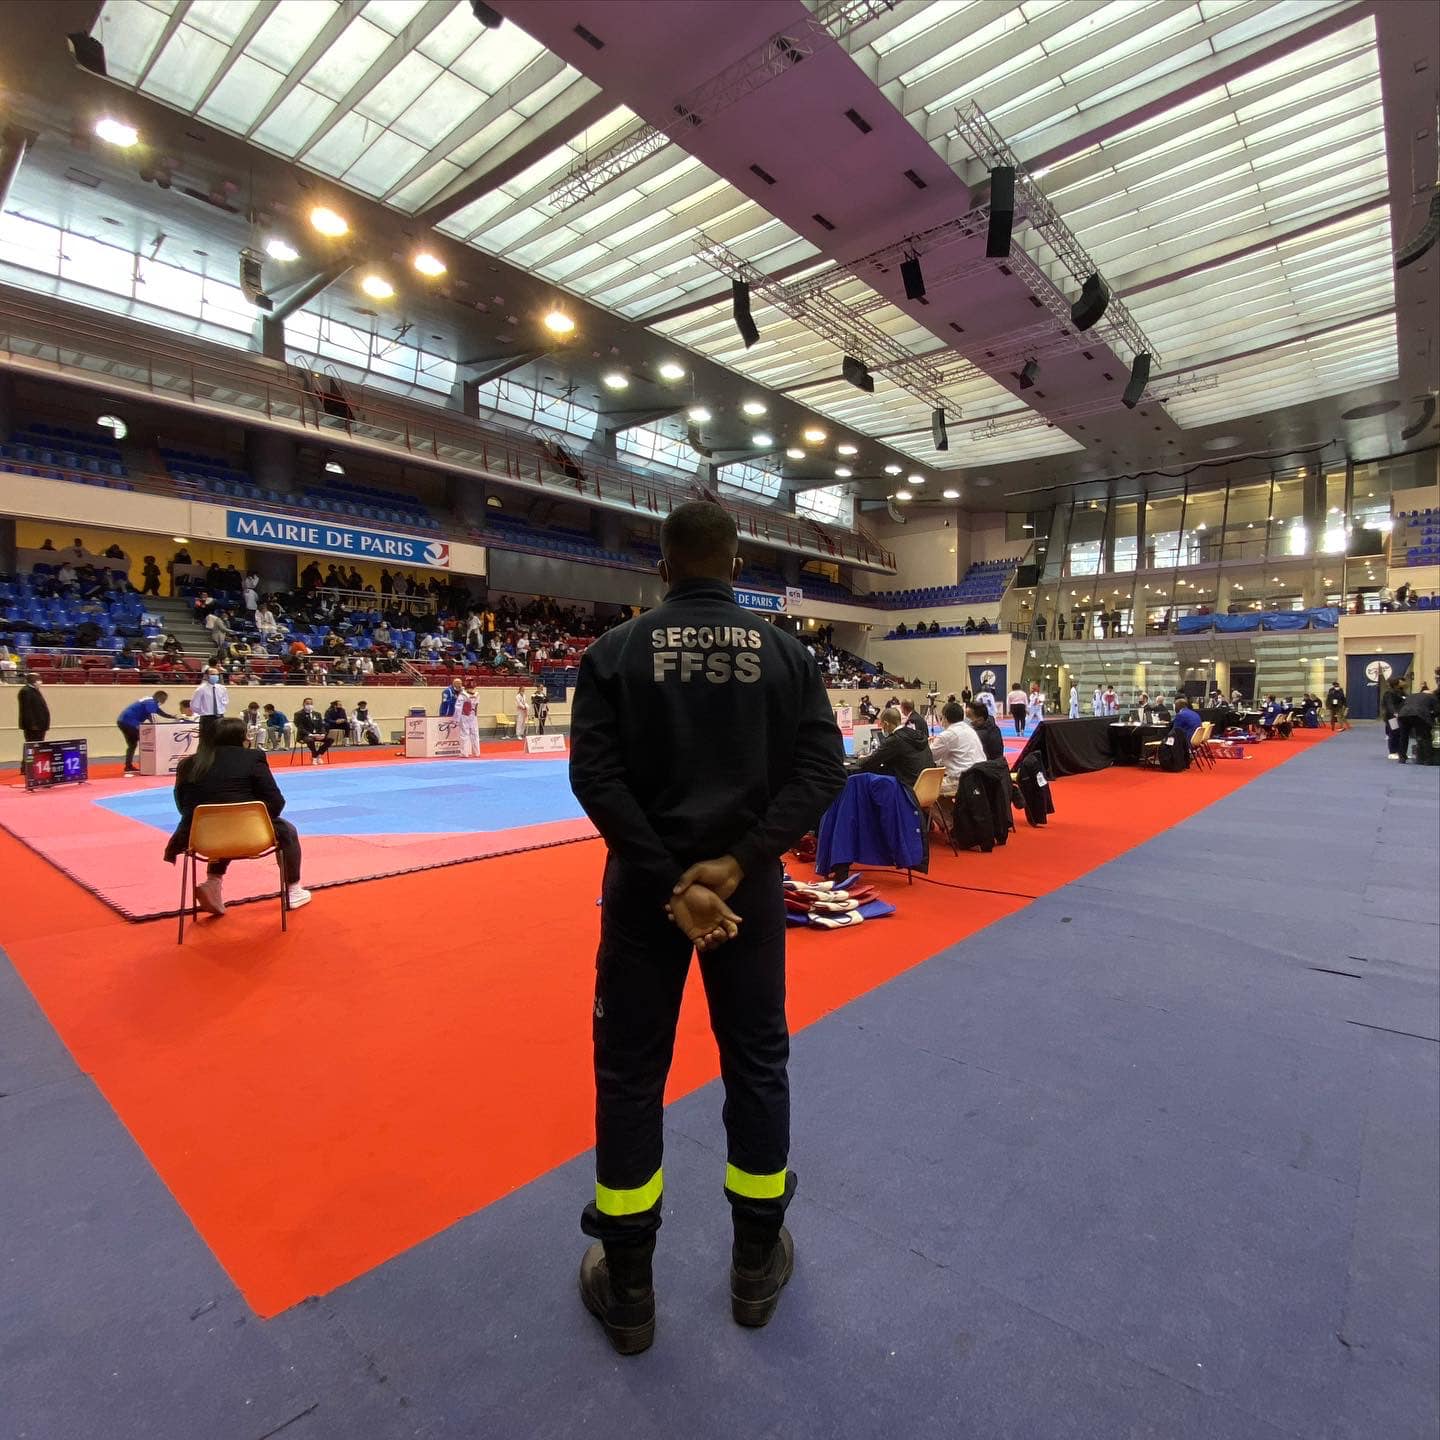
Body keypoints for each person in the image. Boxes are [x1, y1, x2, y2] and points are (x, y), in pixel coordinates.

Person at [567, 501, 846, 1355]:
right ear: (736, 566)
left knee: (630, 1076)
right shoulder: (788, 654)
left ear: (662, 567)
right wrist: (738, 863)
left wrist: (671, 881)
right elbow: (821, 771)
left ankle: (630, 1291)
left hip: (644, 897)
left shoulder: (615, 652)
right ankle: (755, 1268)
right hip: (746, 897)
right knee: (756, 1064)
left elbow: (596, 780)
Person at [162, 717, 310, 916]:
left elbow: (182, 807)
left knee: (222, 826)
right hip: (252, 836)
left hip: (201, 838)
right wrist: (258, 818)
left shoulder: (187, 764)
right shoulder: (253, 758)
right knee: (287, 830)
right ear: (241, 737)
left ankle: (213, 882)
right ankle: (293, 890)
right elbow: (276, 802)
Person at [852, 705, 935, 789]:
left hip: (907, 788)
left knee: (865, 776)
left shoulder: (894, 740)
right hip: (928, 786)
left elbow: (870, 762)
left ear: (886, 724)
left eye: (882, 724)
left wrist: (860, 759)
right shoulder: (917, 735)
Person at [929, 700, 985, 794]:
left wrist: (930, 744)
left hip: (960, 781)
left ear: (945, 718)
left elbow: (929, 756)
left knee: (925, 786)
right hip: (980, 778)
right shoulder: (970, 729)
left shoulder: (947, 735)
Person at [116, 690, 174, 774]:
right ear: (161, 698)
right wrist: (157, 727)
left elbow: (160, 713)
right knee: (147, 741)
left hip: (123, 721)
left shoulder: (149, 701)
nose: (164, 702)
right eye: (164, 700)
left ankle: (128, 766)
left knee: (132, 745)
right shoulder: (151, 702)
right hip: (129, 722)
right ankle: (146, 765)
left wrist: (172, 716)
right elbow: (152, 716)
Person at [1396, 686, 1438, 765]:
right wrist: (1431, 717)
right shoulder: (1432, 697)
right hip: (1419, 715)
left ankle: (1402, 758)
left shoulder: (1411, 696)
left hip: (1403, 714)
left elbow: (1401, 706)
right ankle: (1427, 760)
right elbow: (1437, 710)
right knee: (1426, 737)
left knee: (1403, 737)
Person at [18, 673, 50, 772]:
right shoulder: (25, 691)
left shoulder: (35, 690)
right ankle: (26, 767)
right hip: (32, 726)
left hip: (40, 725)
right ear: (32, 680)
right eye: (37, 679)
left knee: (38, 746)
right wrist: (32, 724)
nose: (40, 681)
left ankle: (34, 765)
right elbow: (26, 710)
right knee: (31, 746)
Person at [190, 666, 229, 732]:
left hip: (220, 717)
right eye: (213, 674)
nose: (215, 676)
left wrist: (220, 711)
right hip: (207, 718)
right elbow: (194, 705)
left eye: (217, 674)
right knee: (207, 736)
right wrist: (203, 712)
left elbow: (225, 701)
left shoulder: (222, 688)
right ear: (206, 676)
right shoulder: (201, 689)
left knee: (220, 735)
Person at [294, 697, 332, 763]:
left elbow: (321, 726)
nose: (309, 705)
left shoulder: (317, 714)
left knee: (330, 739)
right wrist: (310, 734)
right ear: (303, 704)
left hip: (317, 734)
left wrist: (323, 734)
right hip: (305, 735)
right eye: (307, 703)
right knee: (310, 740)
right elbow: (300, 728)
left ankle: (318, 754)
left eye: (311, 704)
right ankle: (314, 756)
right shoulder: (298, 714)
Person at [1380, 677, 1406, 760]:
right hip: (1392, 716)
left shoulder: (1401, 692)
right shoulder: (1389, 693)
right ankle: (1392, 752)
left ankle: (1400, 751)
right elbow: (1389, 704)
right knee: (1394, 733)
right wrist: (1394, 712)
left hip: (1401, 715)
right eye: (1401, 682)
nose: (1404, 683)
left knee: (1400, 733)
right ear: (1396, 684)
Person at [456, 683, 481, 757]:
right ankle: (477, 752)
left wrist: (456, 719)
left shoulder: (462, 695)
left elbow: (458, 708)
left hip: (465, 715)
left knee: (464, 734)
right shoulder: (477, 695)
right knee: (475, 734)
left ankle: (464, 753)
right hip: (473, 715)